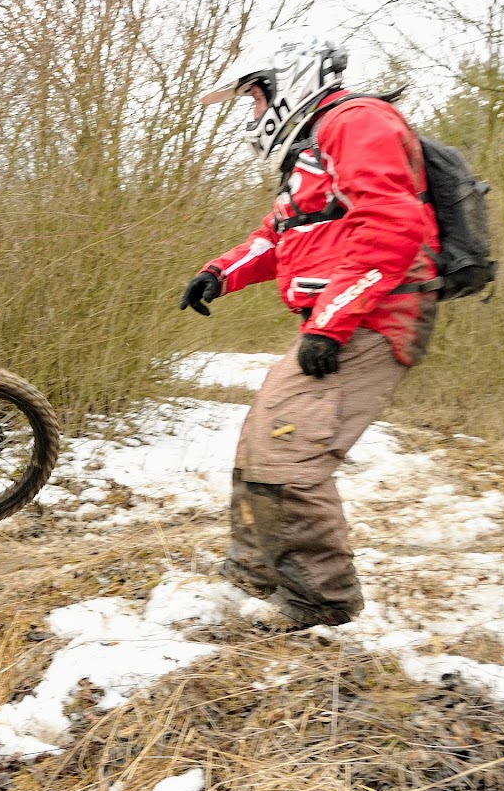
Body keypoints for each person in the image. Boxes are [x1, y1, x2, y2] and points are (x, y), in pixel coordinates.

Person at [179, 30, 440, 627]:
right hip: (342, 315)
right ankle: (254, 573)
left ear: (286, 81)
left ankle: (321, 602)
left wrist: (333, 323)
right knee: (259, 440)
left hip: (375, 314)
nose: (252, 113)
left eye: (254, 97)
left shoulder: (356, 122)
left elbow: (391, 225)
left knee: (288, 452)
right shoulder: (312, 147)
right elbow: (280, 235)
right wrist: (219, 273)